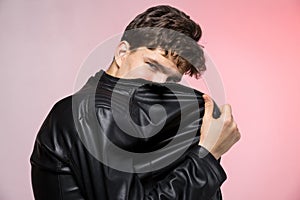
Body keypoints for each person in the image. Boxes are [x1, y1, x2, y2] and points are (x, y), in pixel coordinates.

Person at [30, 5, 240, 200]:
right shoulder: (93, 111)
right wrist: (207, 156)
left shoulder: (139, 115)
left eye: (172, 79)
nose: (159, 83)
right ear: (122, 53)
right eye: (152, 66)